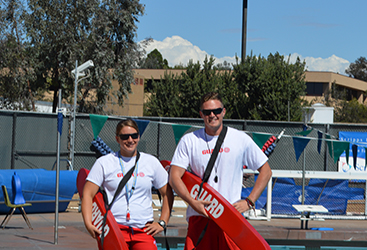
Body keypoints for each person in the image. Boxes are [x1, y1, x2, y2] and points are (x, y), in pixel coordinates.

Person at [169, 92, 272, 250]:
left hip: (231, 219)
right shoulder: (189, 140)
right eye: (207, 112)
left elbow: (266, 171)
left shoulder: (240, 138)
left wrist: (249, 201)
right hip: (201, 216)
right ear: (201, 114)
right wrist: (192, 202)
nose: (212, 115)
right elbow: (174, 177)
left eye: (216, 111)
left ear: (223, 111)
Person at [82, 119, 173, 250]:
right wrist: (88, 222)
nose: (130, 140)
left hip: (143, 230)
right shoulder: (105, 162)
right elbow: (87, 194)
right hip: (114, 229)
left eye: (134, 135)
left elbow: (167, 192)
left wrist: (163, 222)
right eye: (125, 136)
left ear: (139, 137)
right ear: (117, 139)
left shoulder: (151, 162)